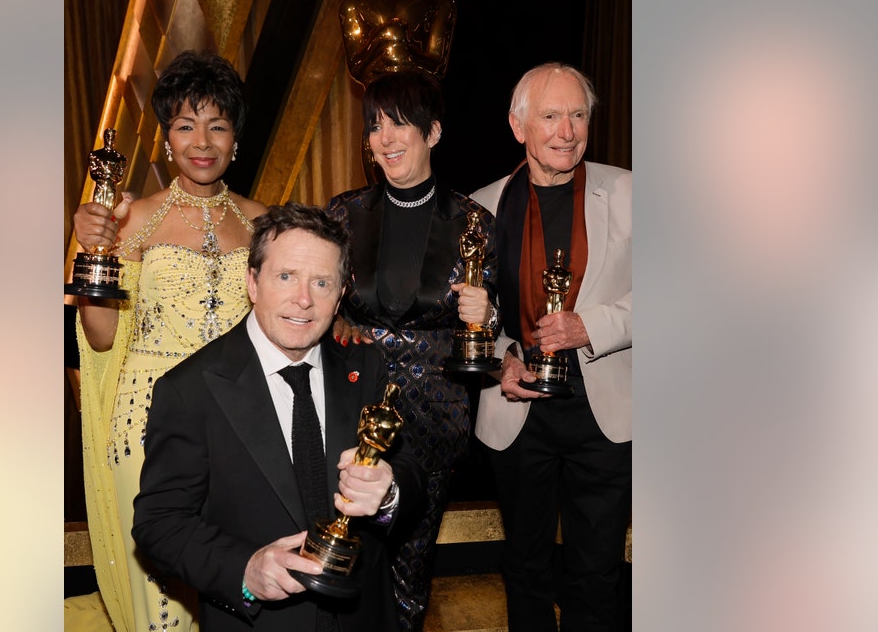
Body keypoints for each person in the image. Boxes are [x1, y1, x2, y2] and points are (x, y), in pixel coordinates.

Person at [131, 203, 429, 632]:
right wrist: (245, 569)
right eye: (285, 276)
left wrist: (390, 492)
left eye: (321, 282)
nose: (303, 300)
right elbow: (159, 524)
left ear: (341, 294)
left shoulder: (366, 366)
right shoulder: (190, 389)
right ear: (252, 282)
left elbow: (411, 471)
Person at [69, 49, 267, 632]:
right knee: (165, 601)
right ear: (165, 139)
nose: (201, 140)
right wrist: (96, 252)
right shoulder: (132, 221)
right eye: (185, 125)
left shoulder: (264, 223)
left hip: (239, 420)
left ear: (235, 139)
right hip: (147, 420)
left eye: (217, 125)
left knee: (239, 583)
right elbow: (102, 339)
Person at [325, 70, 497, 631]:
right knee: (343, 551)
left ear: (435, 132)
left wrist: (485, 315)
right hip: (352, 404)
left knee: (410, 567)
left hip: (433, 417)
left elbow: (490, 323)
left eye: (400, 123)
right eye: (375, 125)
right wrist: (339, 322)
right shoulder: (344, 215)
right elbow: (318, 297)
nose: (386, 137)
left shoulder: (474, 223)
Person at [471, 63, 631, 631]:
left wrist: (593, 326)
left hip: (606, 413)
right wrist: (501, 360)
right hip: (518, 411)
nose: (567, 131)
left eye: (578, 114)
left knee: (597, 572)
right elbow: (468, 316)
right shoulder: (481, 208)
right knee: (525, 566)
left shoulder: (633, 192)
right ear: (518, 127)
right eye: (550, 115)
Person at [338, 0, 456, 85]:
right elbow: (357, 69)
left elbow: (437, 68)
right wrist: (385, 35)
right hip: (378, 100)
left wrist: (398, 45)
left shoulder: (440, 4)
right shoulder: (353, 5)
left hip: (417, 99)